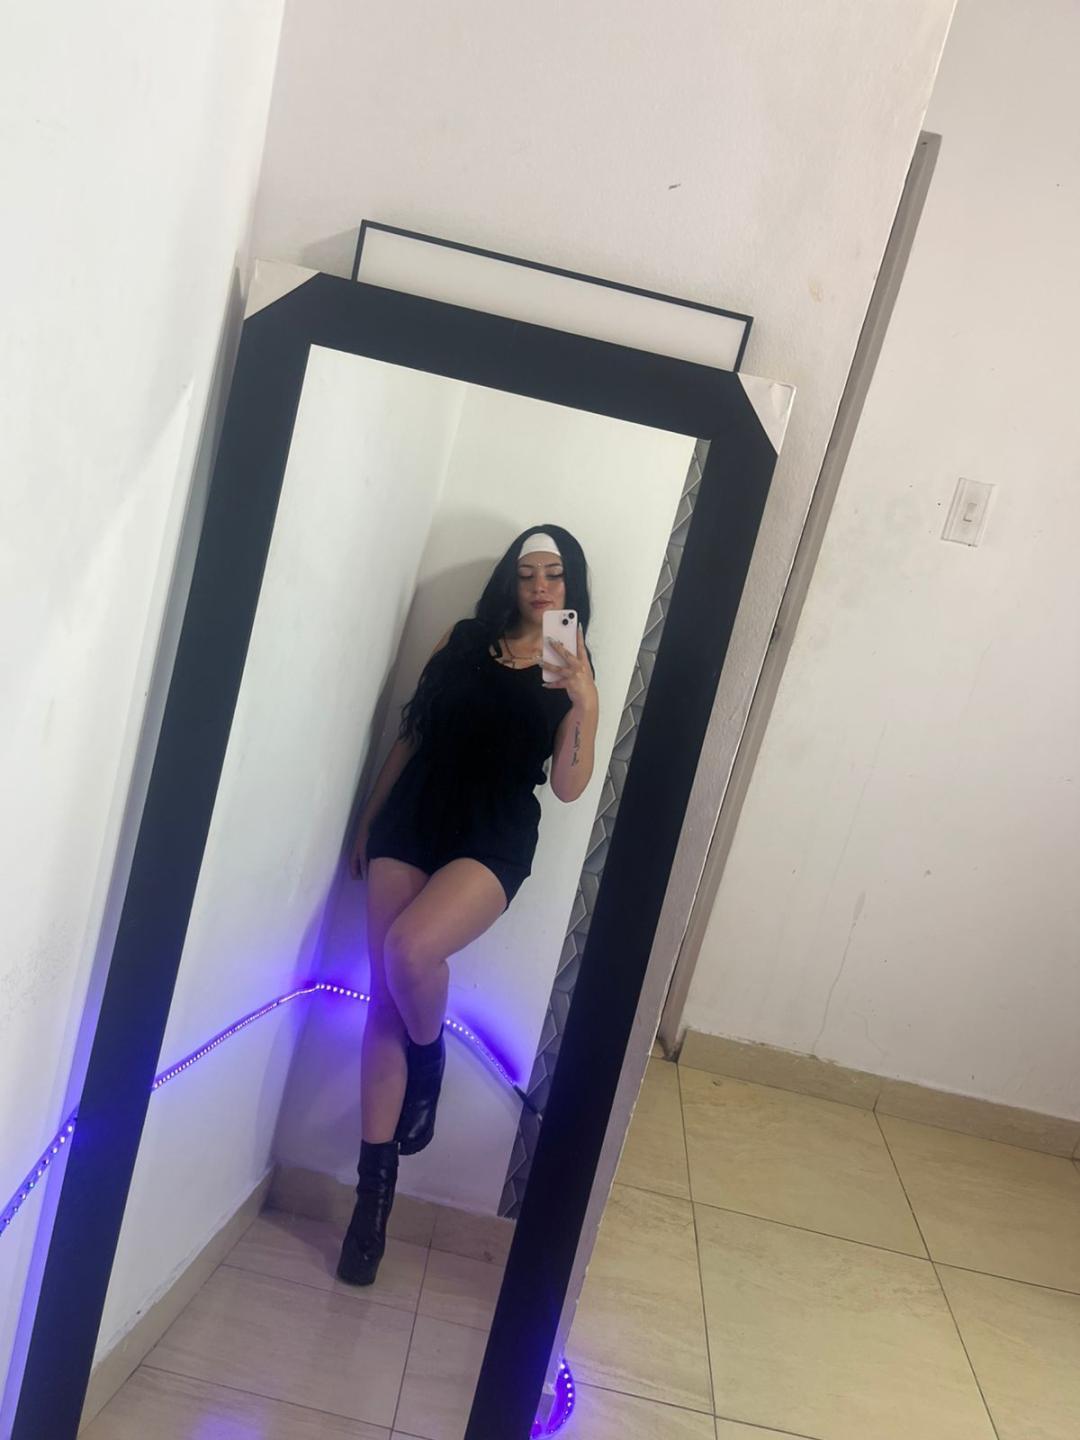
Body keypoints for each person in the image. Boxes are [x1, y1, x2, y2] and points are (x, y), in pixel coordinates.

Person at [337, 526, 599, 1285]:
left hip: (493, 834)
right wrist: (368, 817)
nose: (540, 586)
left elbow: (571, 785)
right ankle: (370, 1209)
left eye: (554, 574)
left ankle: (430, 1054)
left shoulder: (567, 660)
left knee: (411, 951)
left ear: (571, 584)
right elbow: (413, 733)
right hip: (412, 816)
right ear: (510, 580)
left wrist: (583, 700)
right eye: (527, 572)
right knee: (385, 1002)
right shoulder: (462, 638)